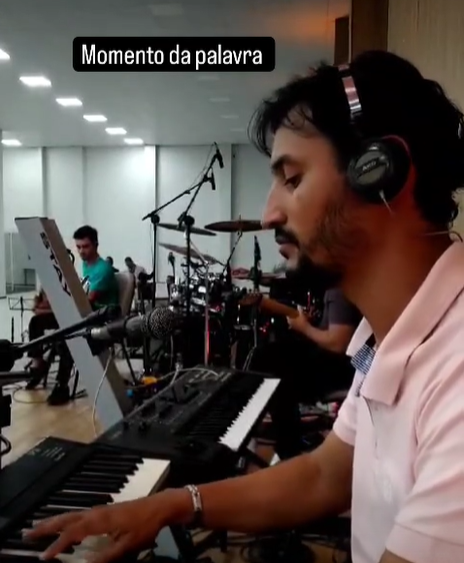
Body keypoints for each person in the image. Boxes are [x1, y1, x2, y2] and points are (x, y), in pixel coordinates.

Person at [27, 50, 464, 563]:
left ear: (380, 173)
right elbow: (325, 474)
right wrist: (173, 504)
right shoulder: (387, 334)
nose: (269, 213)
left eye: (293, 179)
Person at [25, 249, 76, 406]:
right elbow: (40, 307)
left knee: (64, 339)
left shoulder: (68, 279)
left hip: (71, 317)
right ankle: (38, 362)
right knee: (35, 322)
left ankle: (61, 384)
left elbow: (65, 305)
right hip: (59, 315)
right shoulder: (48, 280)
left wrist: (48, 308)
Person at [75, 226, 119, 309]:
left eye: (85, 246)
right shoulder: (85, 263)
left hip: (104, 315)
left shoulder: (103, 269)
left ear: (96, 245)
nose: (81, 251)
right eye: (78, 247)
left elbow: (88, 301)